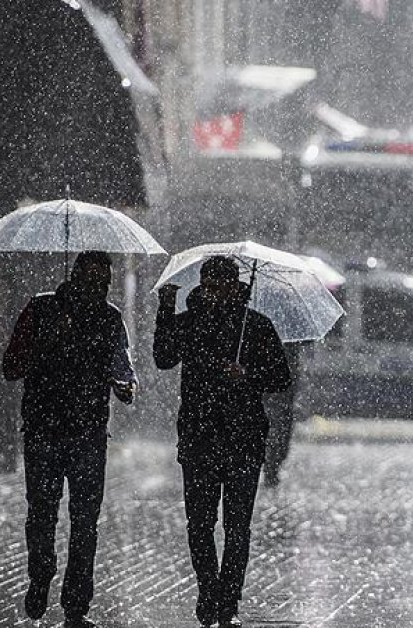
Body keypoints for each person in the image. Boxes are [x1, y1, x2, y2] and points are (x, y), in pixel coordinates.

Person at [154, 256, 292, 627]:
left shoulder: (255, 326)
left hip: (243, 438)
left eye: (219, 286)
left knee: (237, 527)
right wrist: (166, 310)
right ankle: (208, 589)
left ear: (235, 286)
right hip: (198, 437)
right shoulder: (190, 322)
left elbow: (280, 378)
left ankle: (228, 601)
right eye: (208, 285)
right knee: (199, 525)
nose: (212, 293)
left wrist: (247, 374)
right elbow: (164, 357)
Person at [2, 251, 136, 627]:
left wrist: (125, 387)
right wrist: (47, 341)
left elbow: (123, 369)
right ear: (74, 277)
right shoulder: (41, 310)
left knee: (85, 521)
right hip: (44, 431)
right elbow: (10, 367)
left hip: (89, 434)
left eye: (104, 282)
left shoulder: (110, 319)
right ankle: (41, 574)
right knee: (41, 513)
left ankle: (76, 606)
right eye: (91, 280)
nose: (98, 289)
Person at [263, 341, 305, 487]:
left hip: (281, 400)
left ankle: (271, 465)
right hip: (274, 399)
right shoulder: (286, 344)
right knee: (277, 434)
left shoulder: (291, 347)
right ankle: (271, 465)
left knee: (280, 435)